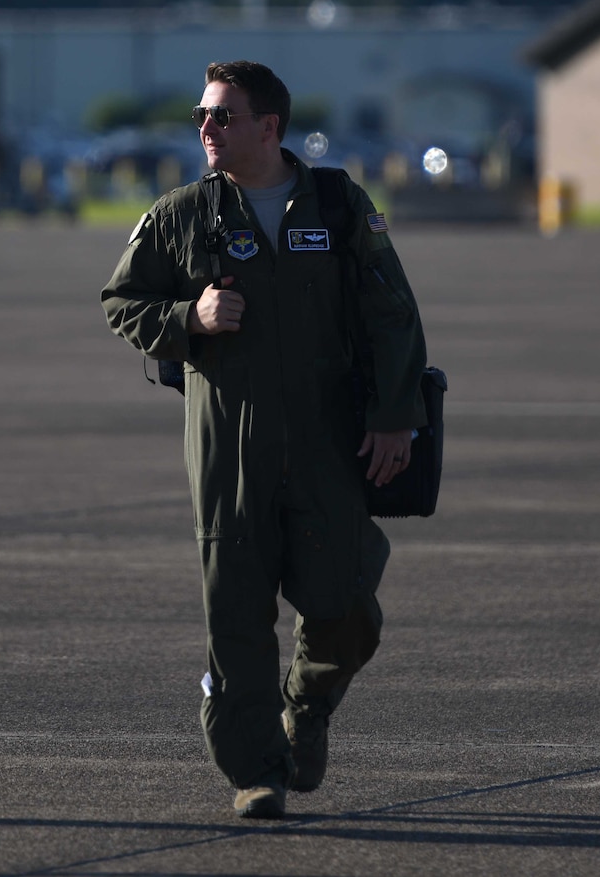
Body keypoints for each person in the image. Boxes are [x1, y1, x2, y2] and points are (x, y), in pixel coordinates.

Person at [101, 60, 428, 819]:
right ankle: (255, 770)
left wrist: (393, 413)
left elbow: (393, 312)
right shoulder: (183, 213)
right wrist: (188, 319)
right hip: (228, 448)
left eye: (223, 114)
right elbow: (121, 298)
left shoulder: (338, 204)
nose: (206, 128)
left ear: (269, 126)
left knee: (346, 604)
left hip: (329, 440)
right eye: (202, 115)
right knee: (237, 616)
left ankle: (307, 704)